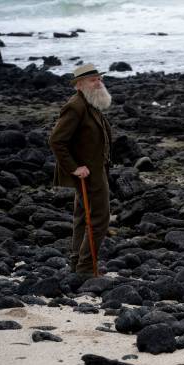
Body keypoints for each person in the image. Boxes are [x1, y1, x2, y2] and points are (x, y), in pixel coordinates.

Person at [48, 63, 113, 280]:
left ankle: (77, 263)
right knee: (99, 218)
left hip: (95, 168)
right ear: (79, 85)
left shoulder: (90, 102)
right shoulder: (75, 106)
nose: (98, 82)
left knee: (82, 216)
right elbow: (56, 141)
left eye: (99, 78)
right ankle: (86, 268)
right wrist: (75, 168)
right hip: (87, 172)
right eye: (93, 79)